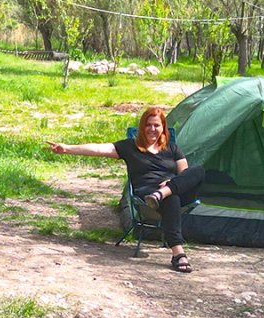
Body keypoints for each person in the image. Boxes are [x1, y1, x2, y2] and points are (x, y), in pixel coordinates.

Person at [46, 106, 204, 272]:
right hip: (148, 196)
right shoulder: (130, 147)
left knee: (198, 170)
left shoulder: (172, 149)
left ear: (163, 127)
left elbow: (185, 174)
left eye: (156, 125)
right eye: (148, 125)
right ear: (142, 127)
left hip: (173, 189)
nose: (152, 129)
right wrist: (67, 148)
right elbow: (99, 149)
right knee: (171, 199)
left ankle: (163, 193)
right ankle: (178, 253)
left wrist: (169, 184)